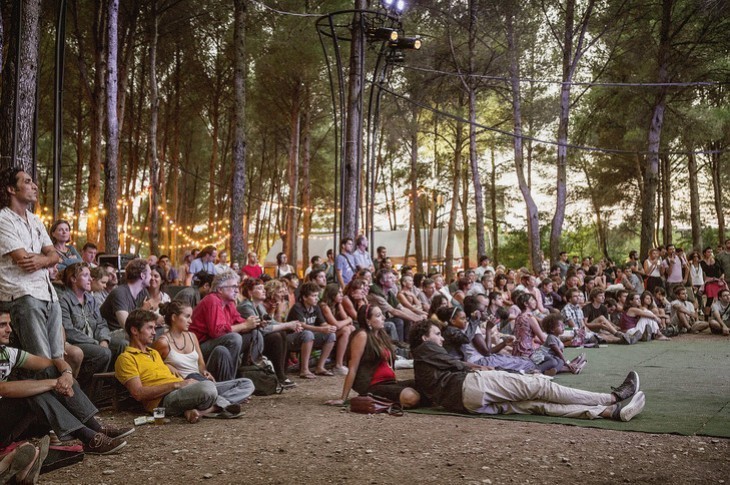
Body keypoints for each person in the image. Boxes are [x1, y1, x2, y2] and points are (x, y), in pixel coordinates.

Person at [411, 320, 645, 421]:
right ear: (424, 337)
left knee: (539, 406)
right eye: (436, 334)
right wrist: (481, 366)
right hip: (470, 384)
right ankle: (613, 397)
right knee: (539, 386)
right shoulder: (424, 348)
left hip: (468, 404)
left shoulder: (421, 366)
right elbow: (457, 364)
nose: (440, 339)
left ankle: (609, 413)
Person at [1, 311, 131, 455]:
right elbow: (4, 389)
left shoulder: (6, 352)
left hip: (11, 423)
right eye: (2, 325)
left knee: (51, 371)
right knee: (30, 392)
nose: (9, 329)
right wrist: (53, 383)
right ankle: (88, 437)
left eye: (9, 324)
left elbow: (54, 363)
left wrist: (66, 375)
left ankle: (96, 428)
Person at [0, 167, 68, 381]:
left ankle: (71, 412)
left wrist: (44, 259)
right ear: (12, 189)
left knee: (59, 359)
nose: (35, 186)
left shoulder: (36, 220)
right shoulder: (4, 220)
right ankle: (53, 413)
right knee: (43, 363)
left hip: (48, 295)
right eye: (28, 181)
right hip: (23, 297)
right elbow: (24, 261)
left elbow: (54, 255)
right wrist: (45, 259)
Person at [115, 309, 221, 423]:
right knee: (209, 389)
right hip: (163, 400)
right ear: (134, 330)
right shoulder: (126, 358)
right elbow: (138, 393)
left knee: (241, 384)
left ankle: (194, 410)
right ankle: (216, 406)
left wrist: (170, 368)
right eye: (150, 328)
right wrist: (177, 384)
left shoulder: (153, 352)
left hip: (182, 390)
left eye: (154, 328)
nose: (154, 332)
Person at [152, 301, 254, 416]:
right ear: (174, 317)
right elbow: (153, 368)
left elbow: (201, 365)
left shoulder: (192, 336)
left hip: (201, 381)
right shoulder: (162, 343)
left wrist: (205, 372)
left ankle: (206, 410)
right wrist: (166, 365)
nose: (190, 321)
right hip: (185, 387)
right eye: (187, 317)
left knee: (247, 383)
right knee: (208, 388)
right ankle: (226, 401)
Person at [325, 305, 420, 408]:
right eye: (378, 315)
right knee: (411, 397)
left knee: (424, 385)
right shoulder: (362, 335)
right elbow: (353, 368)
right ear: (368, 321)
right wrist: (343, 398)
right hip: (372, 386)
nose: (383, 318)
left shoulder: (381, 335)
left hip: (390, 383)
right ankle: (374, 398)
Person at [189, 270, 258, 381]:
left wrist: (255, 323)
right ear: (220, 289)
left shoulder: (229, 303)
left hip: (213, 342)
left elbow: (238, 321)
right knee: (234, 338)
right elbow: (216, 332)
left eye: (237, 287)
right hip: (199, 348)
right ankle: (231, 382)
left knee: (253, 333)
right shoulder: (212, 300)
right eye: (234, 287)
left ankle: (245, 374)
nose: (237, 290)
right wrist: (245, 325)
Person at [237, 278, 300, 388]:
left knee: (281, 333)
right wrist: (287, 325)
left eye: (263, 288)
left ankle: (281, 374)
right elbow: (261, 329)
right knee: (276, 336)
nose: (264, 290)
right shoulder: (245, 306)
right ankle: (280, 377)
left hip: (259, 339)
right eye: (259, 288)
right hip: (250, 342)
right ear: (250, 292)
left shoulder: (259, 305)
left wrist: (290, 324)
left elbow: (271, 323)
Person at [59, 263, 112, 390]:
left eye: (90, 275)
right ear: (73, 279)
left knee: (121, 345)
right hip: (75, 343)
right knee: (103, 353)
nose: (90, 279)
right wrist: (95, 342)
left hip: (94, 341)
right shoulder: (63, 300)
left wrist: (104, 340)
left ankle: (107, 390)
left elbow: (101, 323)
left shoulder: (90, 299)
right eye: (85, 275)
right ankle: (86, 391)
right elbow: (68, 330)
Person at [100, 258, 155, 356]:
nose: (151, 278)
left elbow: (150, 317)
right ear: (142, 276)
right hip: (111, 333)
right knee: (140, 335)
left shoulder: (143, 292)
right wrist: (143, 310)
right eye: (150, 274)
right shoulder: (120, 293)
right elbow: (127, 325)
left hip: (130, 331)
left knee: (159, 332)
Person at [286, 282, 336, 379]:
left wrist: (329, 327)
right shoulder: (297, 307)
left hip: (309, 336)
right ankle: (304, 370)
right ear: (305, 297)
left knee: (331, 335)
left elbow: (323, 323)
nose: (316, 298)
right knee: (308, 334)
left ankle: (320, 367)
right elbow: (302, 325)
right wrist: (321, 329)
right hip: (292, 337)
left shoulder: (316, 307)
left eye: (317, 295)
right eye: (313, 296)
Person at [318, 284, 355, 375]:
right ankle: (338, 365)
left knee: (351, 328)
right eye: (339, 292)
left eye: (341, 292)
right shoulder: (324, 305)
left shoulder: (337, 304)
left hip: (333, 331)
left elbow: (349, 322)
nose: (341, 295)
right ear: (332, 293)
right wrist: (349, 319)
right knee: (346, 330)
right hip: (322, 332)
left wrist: (347, 319)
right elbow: (337, 325)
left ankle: (346, 361)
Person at [511, 293, 546, 357]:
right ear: (526, 304)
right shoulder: (529, 317)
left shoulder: (518, 317)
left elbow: (531, 337)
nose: (535, 301)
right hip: (527, 352)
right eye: (532, 300)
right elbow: (543, 339)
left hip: (516, 351)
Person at [700, 246, 726, 319]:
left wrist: (723, 275)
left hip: (718, 281)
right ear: (705, 253)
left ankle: (720, 315)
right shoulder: (702, 262)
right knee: (710, 299)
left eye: (711, 252)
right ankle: (706, 317)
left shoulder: (716, 260)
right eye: (708, 252)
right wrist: (711, 264)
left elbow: (721, 269)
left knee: (720, 298)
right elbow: (707, 271)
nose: (710, 253)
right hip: (710, 282)